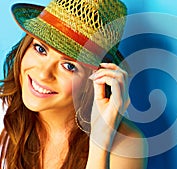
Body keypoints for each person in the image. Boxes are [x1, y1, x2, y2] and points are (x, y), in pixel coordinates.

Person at [0, 0, 147, 168]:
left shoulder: (125, 144)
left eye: (69, 66)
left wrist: (100, 141)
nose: (43, 73)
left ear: (95, 79)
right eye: (40, 49)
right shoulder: (4, 109)